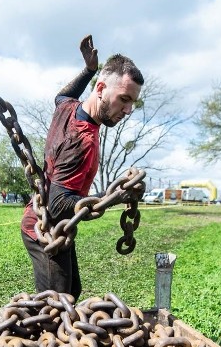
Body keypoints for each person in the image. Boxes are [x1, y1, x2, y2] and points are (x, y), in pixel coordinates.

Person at [21, 35, 143, 301]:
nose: (128, 110)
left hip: (55, 226)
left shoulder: (69, 108)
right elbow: (58, 204)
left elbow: (62, 95)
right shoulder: (81, 141)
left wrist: (88, 70)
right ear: (100, 89)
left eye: (132, 102)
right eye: (123, 99)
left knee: (71, 292)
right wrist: (115, 197)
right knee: (57, 304)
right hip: (46, 229)